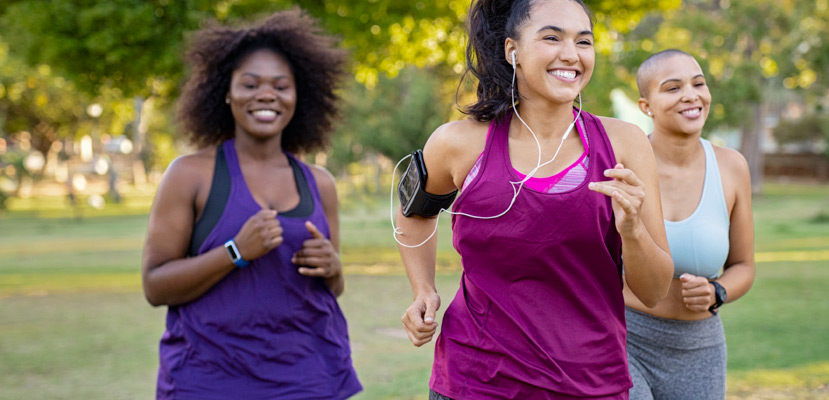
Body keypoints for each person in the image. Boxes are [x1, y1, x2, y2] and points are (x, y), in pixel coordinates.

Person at [394, 0, 674, 398]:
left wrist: (632, 231)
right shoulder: (458, 143)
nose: (571, 54)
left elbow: (654, 290)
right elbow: (413, 214)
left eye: (584, 41)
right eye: (552, 37)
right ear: (513, 51)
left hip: (590, 383)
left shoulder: (624, 143)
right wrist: (422, 289)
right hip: (475, 381)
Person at [141, 9, 362, 399]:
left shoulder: (320, 183)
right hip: (209, 380)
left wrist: (334, 267)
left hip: (310, 379)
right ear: (226, 92)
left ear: (298, 96)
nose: (266, 95)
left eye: (281, 85)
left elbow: (334, 288)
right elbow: (155, 286)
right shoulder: (189, 175)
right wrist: (236, 251)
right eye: (250, 84)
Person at [626, 49, 756, 399]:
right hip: (625, 338)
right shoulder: (623, 165)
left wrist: (718, 291)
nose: (691, 94)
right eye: (672, 88)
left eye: (698, 83)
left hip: (700, 347)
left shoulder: (732, 166)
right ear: (646, 106)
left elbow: (743, 266)